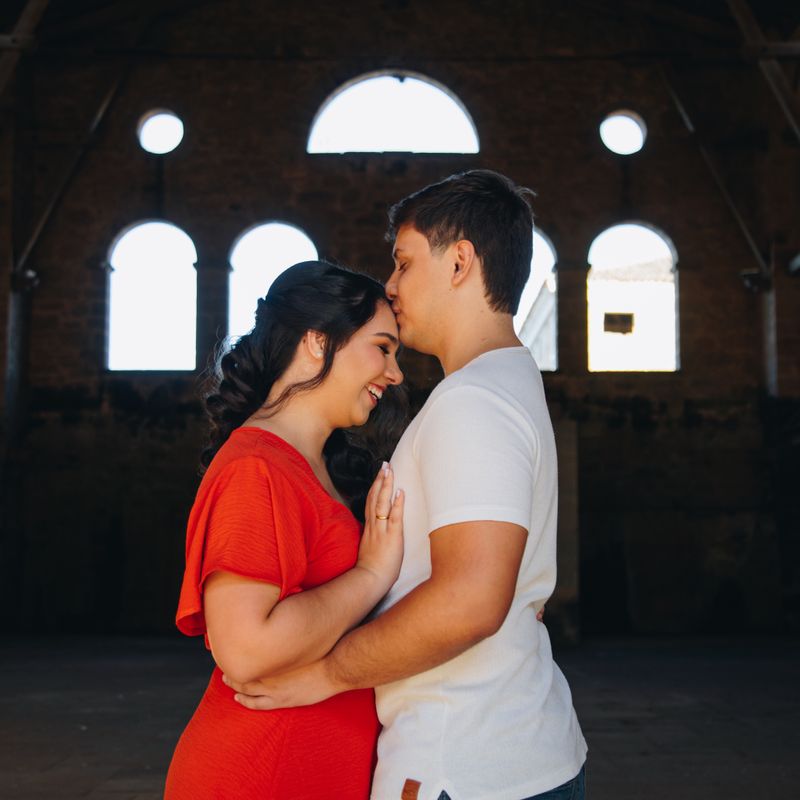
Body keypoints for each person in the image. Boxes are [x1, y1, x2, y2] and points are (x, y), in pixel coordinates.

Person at [226, 171, 588, 800]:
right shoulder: (506, 383)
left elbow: (471, 600)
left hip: (466, 765)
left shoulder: (473, 400)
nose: (391, 286)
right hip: (505, 748)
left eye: (403, 262)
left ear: (460, 262)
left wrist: (328, 674)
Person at [164, 260, 406, 800]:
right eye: (382, 348)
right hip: (260, 773)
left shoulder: (316, 465)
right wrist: (370, 574)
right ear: (318, 341)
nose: (394, 374)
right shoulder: (256, 467)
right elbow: (246, 650)